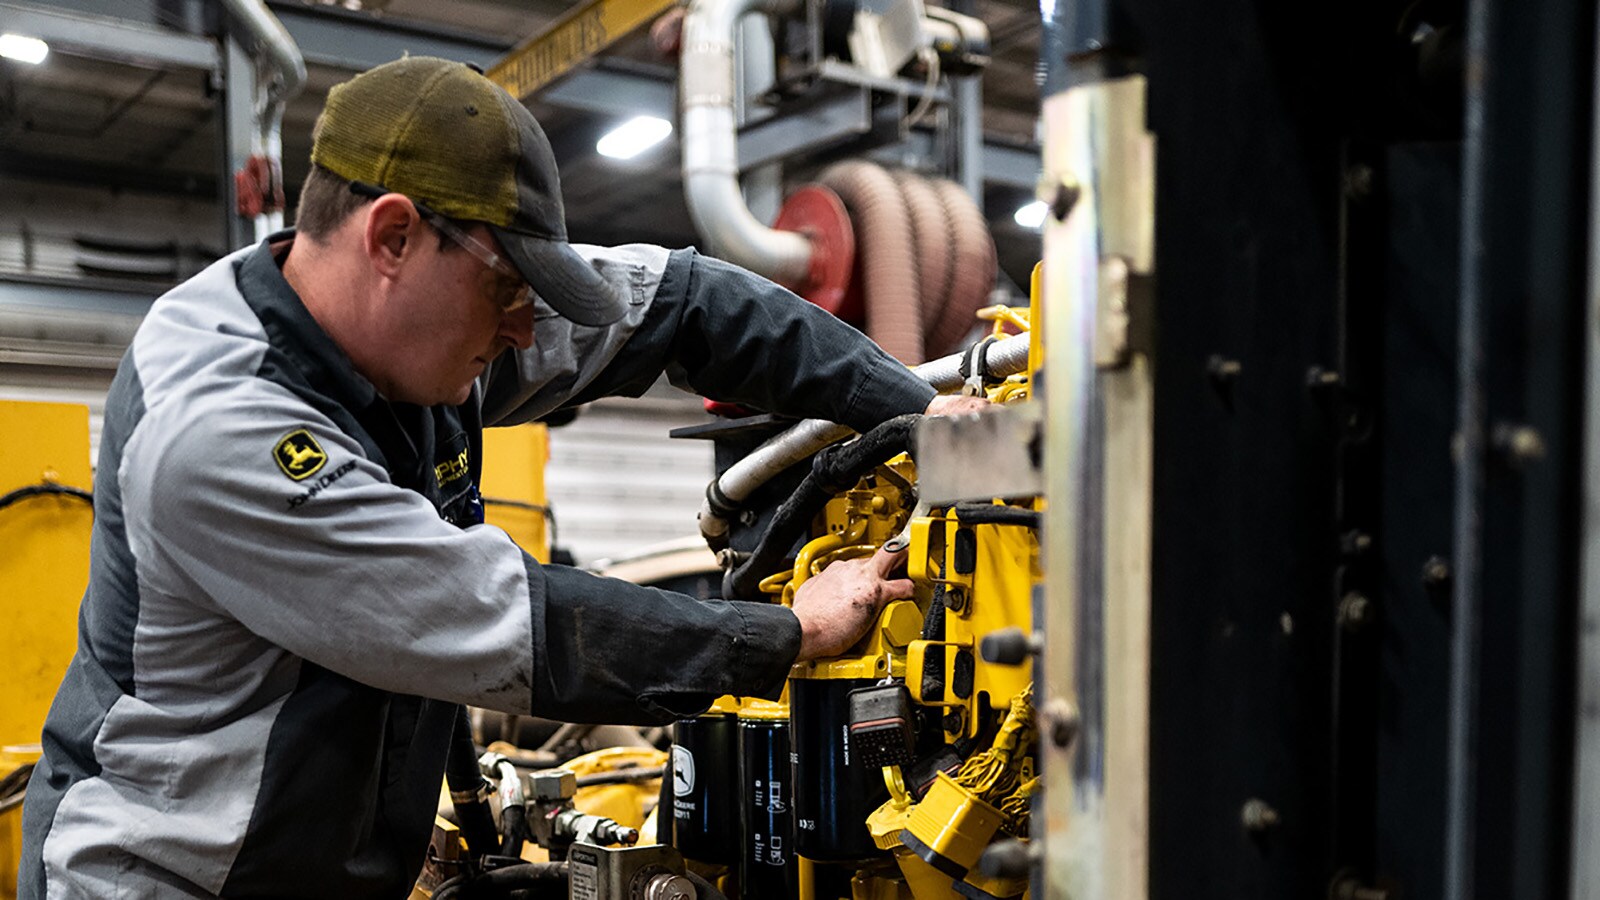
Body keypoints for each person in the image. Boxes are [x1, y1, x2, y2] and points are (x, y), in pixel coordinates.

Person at [20, 56, 984, 898]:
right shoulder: (222, 427)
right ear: (393, 237)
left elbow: (687, 305)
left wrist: (910, 408)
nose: (527, 329)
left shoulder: (428, 323)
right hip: (176, 878)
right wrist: (789, 633)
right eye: (511, 290)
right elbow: (510, 626)